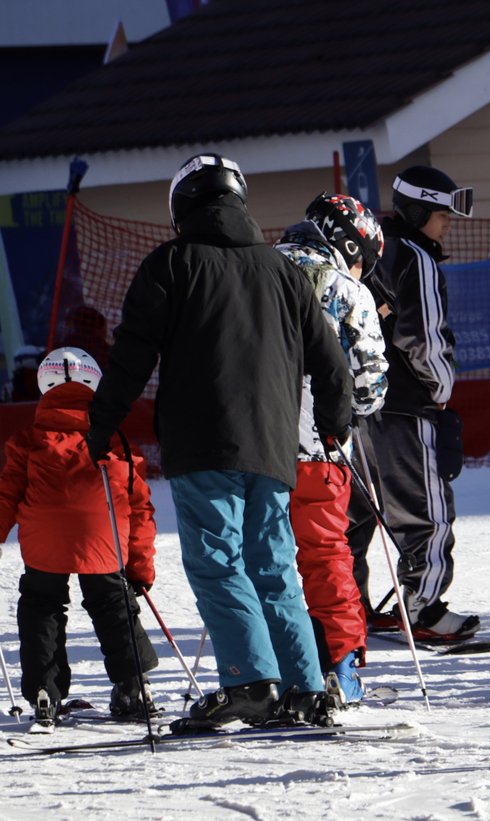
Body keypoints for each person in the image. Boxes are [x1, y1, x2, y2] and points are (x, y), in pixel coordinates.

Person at [85, 153, 353, 729]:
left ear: (183, 206)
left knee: (218, 561)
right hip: (275, 444)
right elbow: (331, 361)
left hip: (203, 441)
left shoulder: (171, 264)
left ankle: (250, 681)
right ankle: (305, 687)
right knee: (274, 564)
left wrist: (101, 422)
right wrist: (335, 422)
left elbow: (132, 355)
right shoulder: (284, 272)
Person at [0, 348, 159, 727]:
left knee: (42, 604)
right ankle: (134, 686)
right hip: (102, 536)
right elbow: (140, 509)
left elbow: (6, 496)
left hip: (45, 540)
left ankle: (44, 692)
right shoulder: (116, 439)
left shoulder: (28, 439)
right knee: (113, 603)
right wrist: (140, 569)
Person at [274, 193, 388, 706]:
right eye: (364, 258)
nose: (363, 269)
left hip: (245, 445)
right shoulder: (345, 288)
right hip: (316, 447)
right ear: (347, 243)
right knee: (325, 554)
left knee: (260, 557)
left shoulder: (252, 270)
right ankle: (339, 669)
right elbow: (370, 383)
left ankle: (265, 665)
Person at [360, 165, 477, 642]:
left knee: (357, 511)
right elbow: (423, 338)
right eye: (441, 213)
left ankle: (349, 606)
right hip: (407, 406)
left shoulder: (372, 249)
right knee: (425, 510)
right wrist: (440, 390)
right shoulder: (417, 258)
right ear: (419, 212)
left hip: (357, 409)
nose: (448, 222)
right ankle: (424, 607)